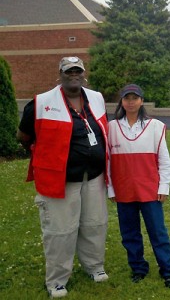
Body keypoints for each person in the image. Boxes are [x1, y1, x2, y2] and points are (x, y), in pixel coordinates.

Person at [17, 56, 109, 298]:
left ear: (84, 73)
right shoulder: (41, 103)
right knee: (60, 231)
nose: (74, 75)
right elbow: (24, 136)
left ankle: (94, 267)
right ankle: (57, 281)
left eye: (77, 70)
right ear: (60, 74)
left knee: (95, 224)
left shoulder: (96, 98)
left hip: (94, 176)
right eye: (69, 71)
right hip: (60, 180)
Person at [107, 84, 170, 288]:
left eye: (134, 98)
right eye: (126, 98)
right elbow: (108, 161)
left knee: (158, 232)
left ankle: (167, 270)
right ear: (121, 101)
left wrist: (163, 186)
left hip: (150, 189)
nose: (130, 101)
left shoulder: (155, 126)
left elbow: (164, 160)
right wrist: (111, 188)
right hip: (123, 189)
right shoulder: (111, 127)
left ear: (141, 101)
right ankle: (138, 268)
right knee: (129, 233)